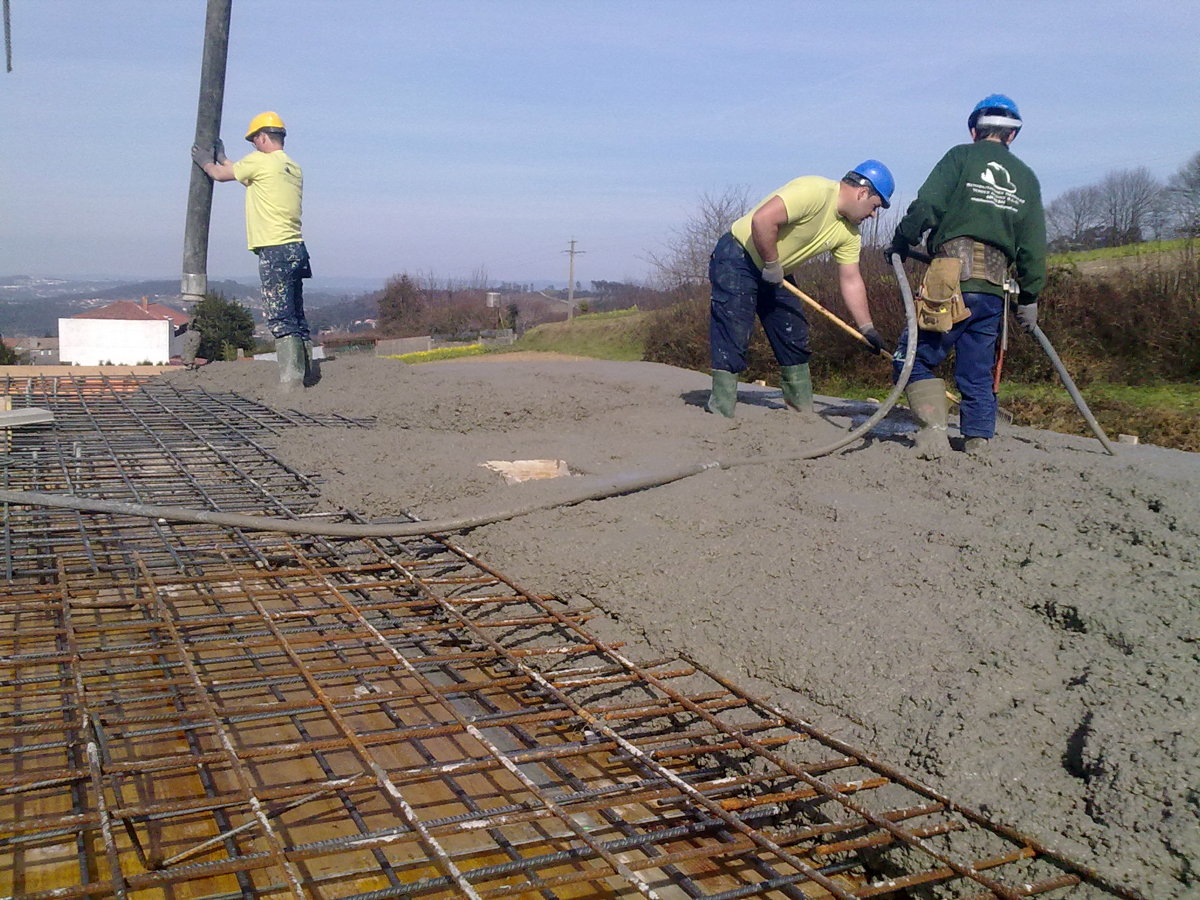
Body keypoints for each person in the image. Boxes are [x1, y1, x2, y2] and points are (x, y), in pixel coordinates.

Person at [888, 94, 1046, 457]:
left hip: (949, 280)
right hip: (993, 290)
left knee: (910, 357)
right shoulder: (1026, 177)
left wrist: (901, 240)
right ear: (1013, 136)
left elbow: (927, 207)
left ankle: (933, 431)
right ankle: (978, 439)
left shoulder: (960, 156)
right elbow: (1034, 245)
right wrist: (1030, 296)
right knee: (976, 370)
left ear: (974, 130)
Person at [706, 161, 894, 418]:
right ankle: (721, 411)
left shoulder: (850, 233)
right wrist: (771, 264)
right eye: (875, 206)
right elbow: (762, 220)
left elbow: (851, 279)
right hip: (738, 256)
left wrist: (867, 329)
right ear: (863, 192)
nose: (873, 215)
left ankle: (801, 412)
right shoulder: (814, 190)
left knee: (792, 332)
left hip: (776, 271)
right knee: (734, 329)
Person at [191, 111, 312, 391]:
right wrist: (222, 157)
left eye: (254, 140)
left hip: (274, 248)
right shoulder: (292, 167)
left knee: (280, 316)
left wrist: (206, 162)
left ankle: (291, 381)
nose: (254, 145)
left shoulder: (259, 160)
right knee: (296, 314)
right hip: (297, 248)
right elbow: (245, 175)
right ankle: (306, 372)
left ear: (262, 137)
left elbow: (222, 176)